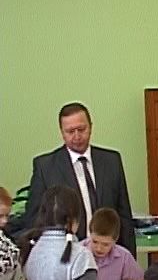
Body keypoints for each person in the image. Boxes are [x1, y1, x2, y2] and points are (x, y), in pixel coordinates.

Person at [20, 103, 135, 256]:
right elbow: (33, 220)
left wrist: (129, 259)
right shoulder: (45, 167)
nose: (77, 136)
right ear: (62, 132)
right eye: (70, 131)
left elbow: (124, 215)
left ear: (91, 127)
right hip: (66, 257)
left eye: (81, 129)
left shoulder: (111, 161)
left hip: (109, 255)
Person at [83, 208, 143, 280]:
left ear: (115, 240)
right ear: (90, 234)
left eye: (105, 244)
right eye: (95, 242)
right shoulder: (77, 253)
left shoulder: (124, 257)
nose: (99, 248)